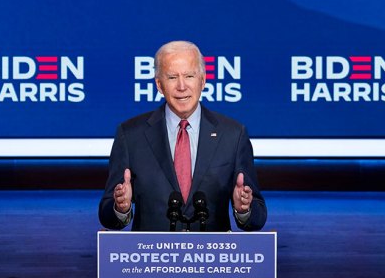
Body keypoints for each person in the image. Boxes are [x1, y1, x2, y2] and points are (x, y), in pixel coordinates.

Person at [99, 40, 267, 231]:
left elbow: (258, 217)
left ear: (202, 81)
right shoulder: (130, 135)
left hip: (212, 257)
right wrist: (121, 207)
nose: (181, 86)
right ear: (159, 85)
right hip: (151, 257)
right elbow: (106, 215)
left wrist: (243, 209)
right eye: (172, 77)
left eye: (189, 76)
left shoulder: (233, 135)